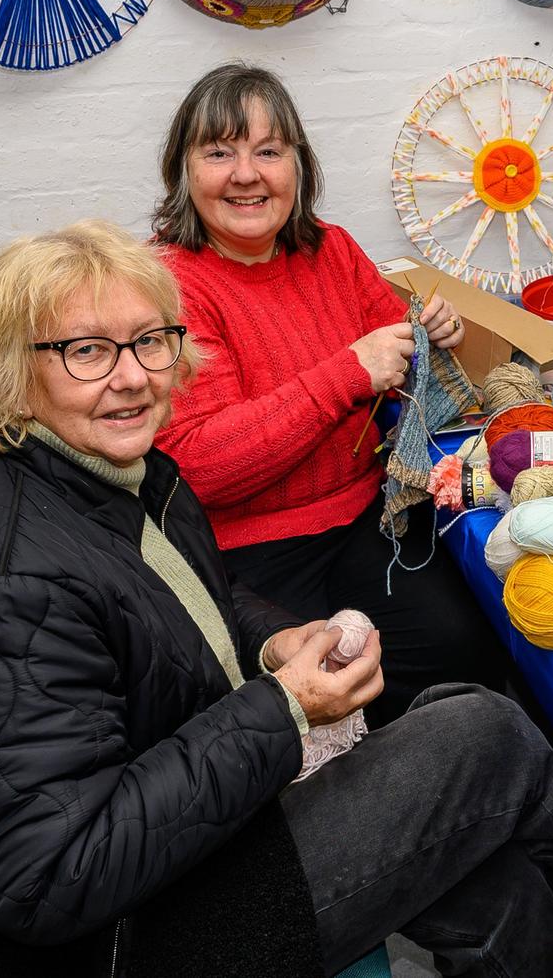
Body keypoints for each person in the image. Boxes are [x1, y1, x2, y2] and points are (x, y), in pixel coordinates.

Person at [0, 221, 553, 978]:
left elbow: (178, 596)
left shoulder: (97, 471)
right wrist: (278, 710)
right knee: (481, 731)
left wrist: (272, 643)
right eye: (86, 351)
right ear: (6, 370)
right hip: (123, 938)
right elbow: (51, 882)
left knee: (475, 849)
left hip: (156, 839)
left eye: (149, 342)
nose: (134, 376)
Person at [153, 64, 504, 721]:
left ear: (298, 166)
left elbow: (392, 359)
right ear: (183, 169)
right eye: (219, 152)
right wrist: (349, 370)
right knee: (325, 694)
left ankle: (454, 770)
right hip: (250, 556)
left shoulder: (331, 250)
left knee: (466, 646)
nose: (246, 174)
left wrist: (432, 336)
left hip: (364, 517)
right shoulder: (168, 286)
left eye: (268, 151)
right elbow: (200, 466)